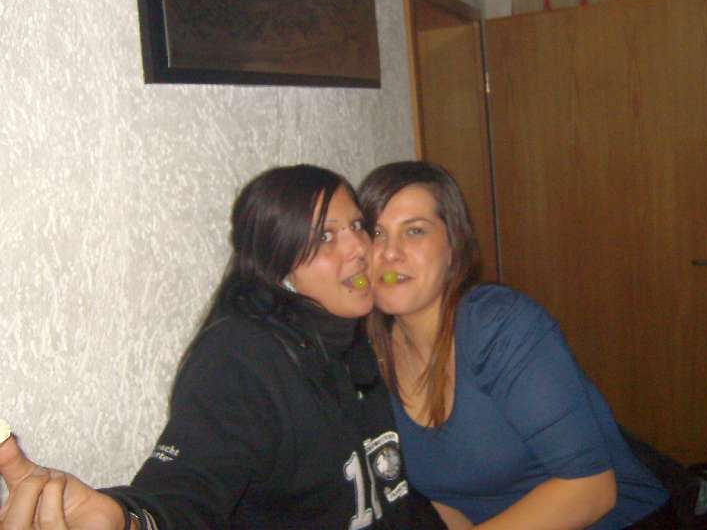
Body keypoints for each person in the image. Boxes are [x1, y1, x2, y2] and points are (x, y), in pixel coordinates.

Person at [0, 164, 446, 529]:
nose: (360, 248)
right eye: (324, 237)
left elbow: (389, 494)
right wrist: (128, 519)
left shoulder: (350, 334)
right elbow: (187, 488)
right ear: (277, 266)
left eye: (357, 225)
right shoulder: (240, 358)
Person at [357, 161, 669, 530]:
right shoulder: (368, 357)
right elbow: (440, 503)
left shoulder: (499, 325)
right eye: (376, 232)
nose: (390, 252)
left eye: (414, 231)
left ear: (453, 248)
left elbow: (591, 490)